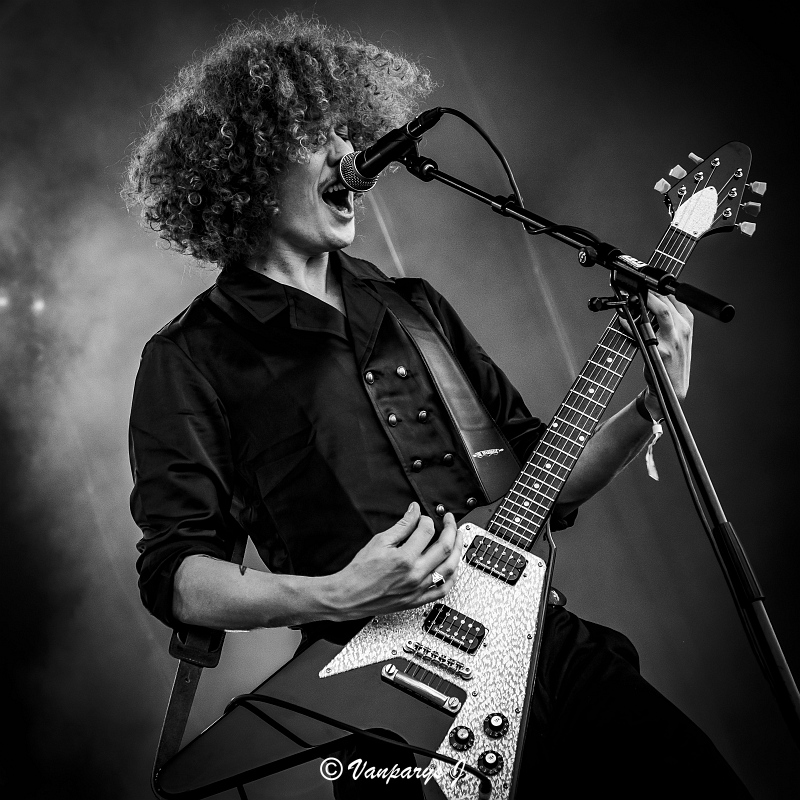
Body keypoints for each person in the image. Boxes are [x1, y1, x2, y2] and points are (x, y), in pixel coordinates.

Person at [125, 15, 751, 799]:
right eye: (316, 136)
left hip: (544, 644)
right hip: (386, 702)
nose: (348, 154)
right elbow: (177, 575)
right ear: (245, 167)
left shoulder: (414, 306)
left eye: (348, 131)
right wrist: (333, 594)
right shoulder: (189, 356)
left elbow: (540, 475)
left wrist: (651, 409)